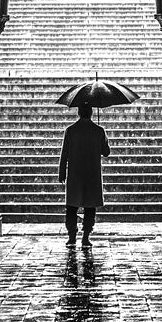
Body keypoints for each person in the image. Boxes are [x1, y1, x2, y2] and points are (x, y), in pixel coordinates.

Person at [59, 102, 109, 246]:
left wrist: (61, 172)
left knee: (71, 207)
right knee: (90, 207)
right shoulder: (99, 130)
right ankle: (86, 237)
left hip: (75, 173)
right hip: (92, 174)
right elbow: (106, 152)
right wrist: (104, 138)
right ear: (91, 113)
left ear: (79, 112)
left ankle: (72, 236)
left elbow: (64, 154)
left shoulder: (71, 130)